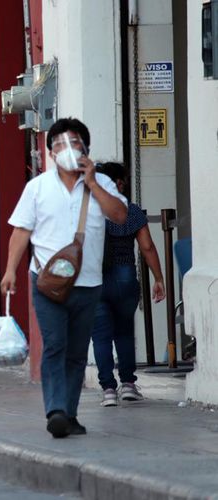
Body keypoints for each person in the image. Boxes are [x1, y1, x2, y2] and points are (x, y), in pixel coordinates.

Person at [0, 118, 127, 438]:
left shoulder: (102, 184)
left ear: (85, 148)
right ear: (51, 153)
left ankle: (69, 414)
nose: (65, 150)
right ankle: (55, 409)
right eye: (58, 144)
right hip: (46, 282)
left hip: (88, 283)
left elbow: (120, 216)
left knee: (76, 350)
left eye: (72, 143)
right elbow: (21, 231)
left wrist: (94, 183)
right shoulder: (37, 187)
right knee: (55, 344)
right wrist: (10, 270)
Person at [91, 162, 166, 407]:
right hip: (125, 277)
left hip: (95, 279)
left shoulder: (90, 211)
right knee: (124, 333)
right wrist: (158, 278)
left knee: (101, 337)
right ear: (119, 183)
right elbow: (147, 246)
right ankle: (128, 385)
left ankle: (108, 390)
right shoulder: (130, 211)